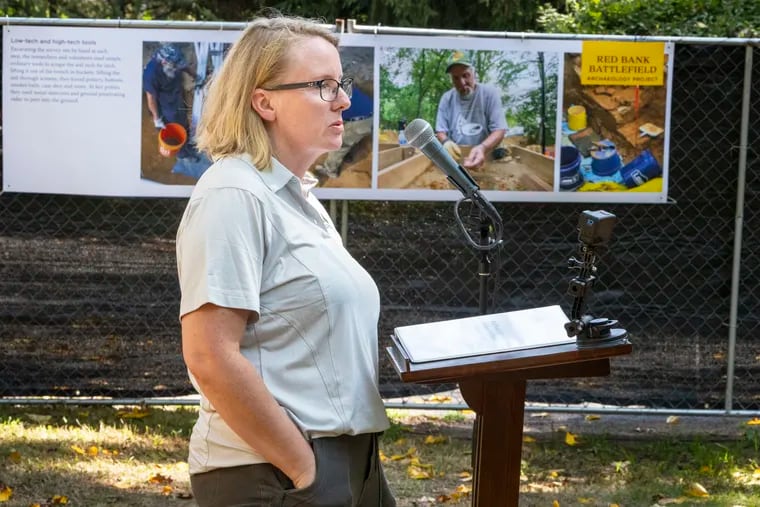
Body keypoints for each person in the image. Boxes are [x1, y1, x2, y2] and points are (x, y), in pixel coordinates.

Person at [175, 15, 396, 507]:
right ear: (264, 101)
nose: (343, 100)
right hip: (271, 472)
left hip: (346, 462)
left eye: (342, 84)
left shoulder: (296, 196)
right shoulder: (233, 191)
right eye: (323, 86)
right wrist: (304, 469)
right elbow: (210, 355)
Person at [435, 50, 508, 170]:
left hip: (486, 156)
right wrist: (446, 142)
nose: (462, 83)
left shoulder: (490, 94)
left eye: (465, 75)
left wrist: (482, 147)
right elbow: (440, 131)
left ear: (474, 73)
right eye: (456, 78)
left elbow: (500, 130)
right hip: (457, 159)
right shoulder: (446, 98)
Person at [143, 43, 197, 159]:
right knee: (174, 126)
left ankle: (187, 143)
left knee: (183, 122)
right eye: (175, 67)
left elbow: (185, 67)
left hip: (176, 96)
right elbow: (150, 98)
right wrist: (157, 118)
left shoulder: (174, 59)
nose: (178, 69)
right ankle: (183, 153)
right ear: (164, 63)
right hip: (165, 104)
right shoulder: (151, 74)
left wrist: (196, 76)